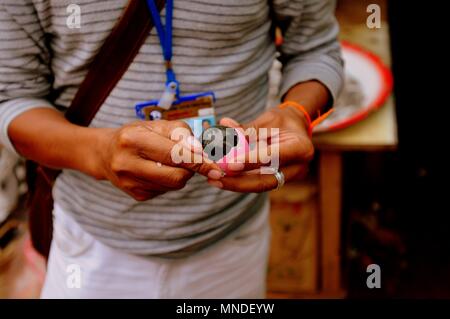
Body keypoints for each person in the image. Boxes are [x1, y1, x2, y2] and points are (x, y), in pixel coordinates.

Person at [0, 0, 343, 298]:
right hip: (92, 244)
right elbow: (12, 96)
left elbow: (314, 47)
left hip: (231, 239)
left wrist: (298, 111)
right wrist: (98, 153)